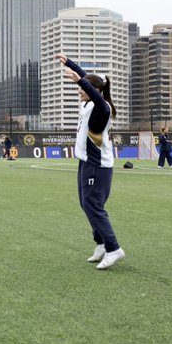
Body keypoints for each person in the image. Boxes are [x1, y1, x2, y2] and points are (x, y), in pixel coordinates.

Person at [55, 53, 125, 270]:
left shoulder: (102, 108)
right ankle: (101, 244)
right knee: (87, 205)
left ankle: (114, 249)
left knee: (94, 206)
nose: (79, 91)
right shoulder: (87, 103)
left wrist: (81, 81)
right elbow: (90, 80)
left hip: (97, 166)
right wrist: (70, 63)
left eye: (82, 89)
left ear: (94, 92)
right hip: (85, 162)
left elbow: (94, 91)